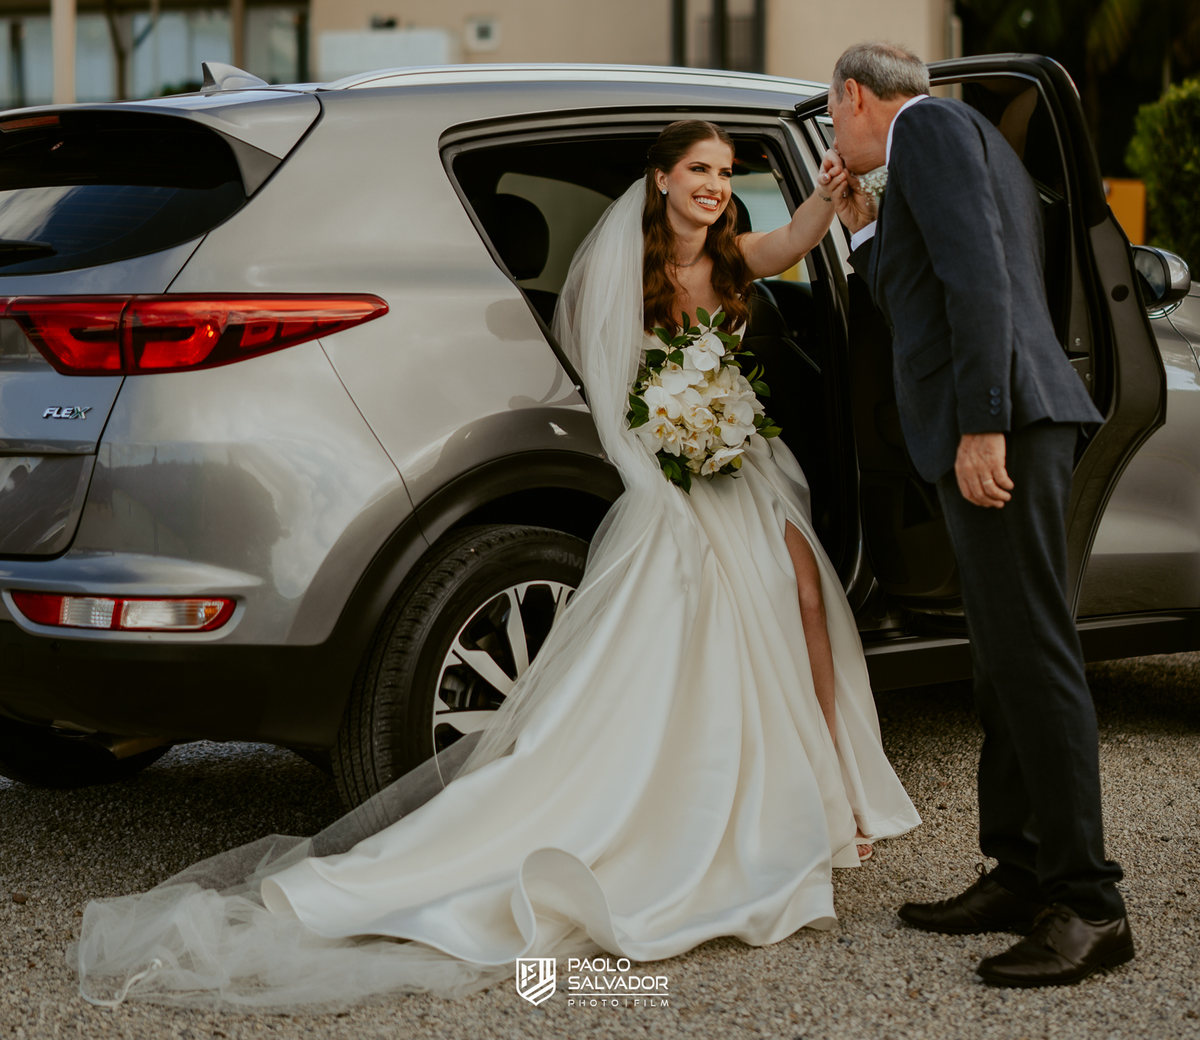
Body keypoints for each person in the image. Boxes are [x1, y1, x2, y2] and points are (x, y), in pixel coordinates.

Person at [74, 119, 917, 1012]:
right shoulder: (622, 274)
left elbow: (792, 241)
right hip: (673, 468)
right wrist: (666, 455)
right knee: (703, 608)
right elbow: (611, 390)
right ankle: (719, 805)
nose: (714, 185)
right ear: (662, 179)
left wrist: (827, 193)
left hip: (740, 463)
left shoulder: (732, 258)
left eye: (725, 171)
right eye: (698, 169)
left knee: (807, 594)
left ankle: (831, 790)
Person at [826, 41, 1132, 989]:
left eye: (832, 115)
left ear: (855, 95)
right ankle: (1022, 869)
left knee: (1033, 656)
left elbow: (982, 279)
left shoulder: (930, 130)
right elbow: (920, 296)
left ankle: (1090, 904)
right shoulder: (964, 138)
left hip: (1004, 425)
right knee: (1001, 659)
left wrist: (983, 425)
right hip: (1003, 420)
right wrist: (864, 229)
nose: (833, 134)